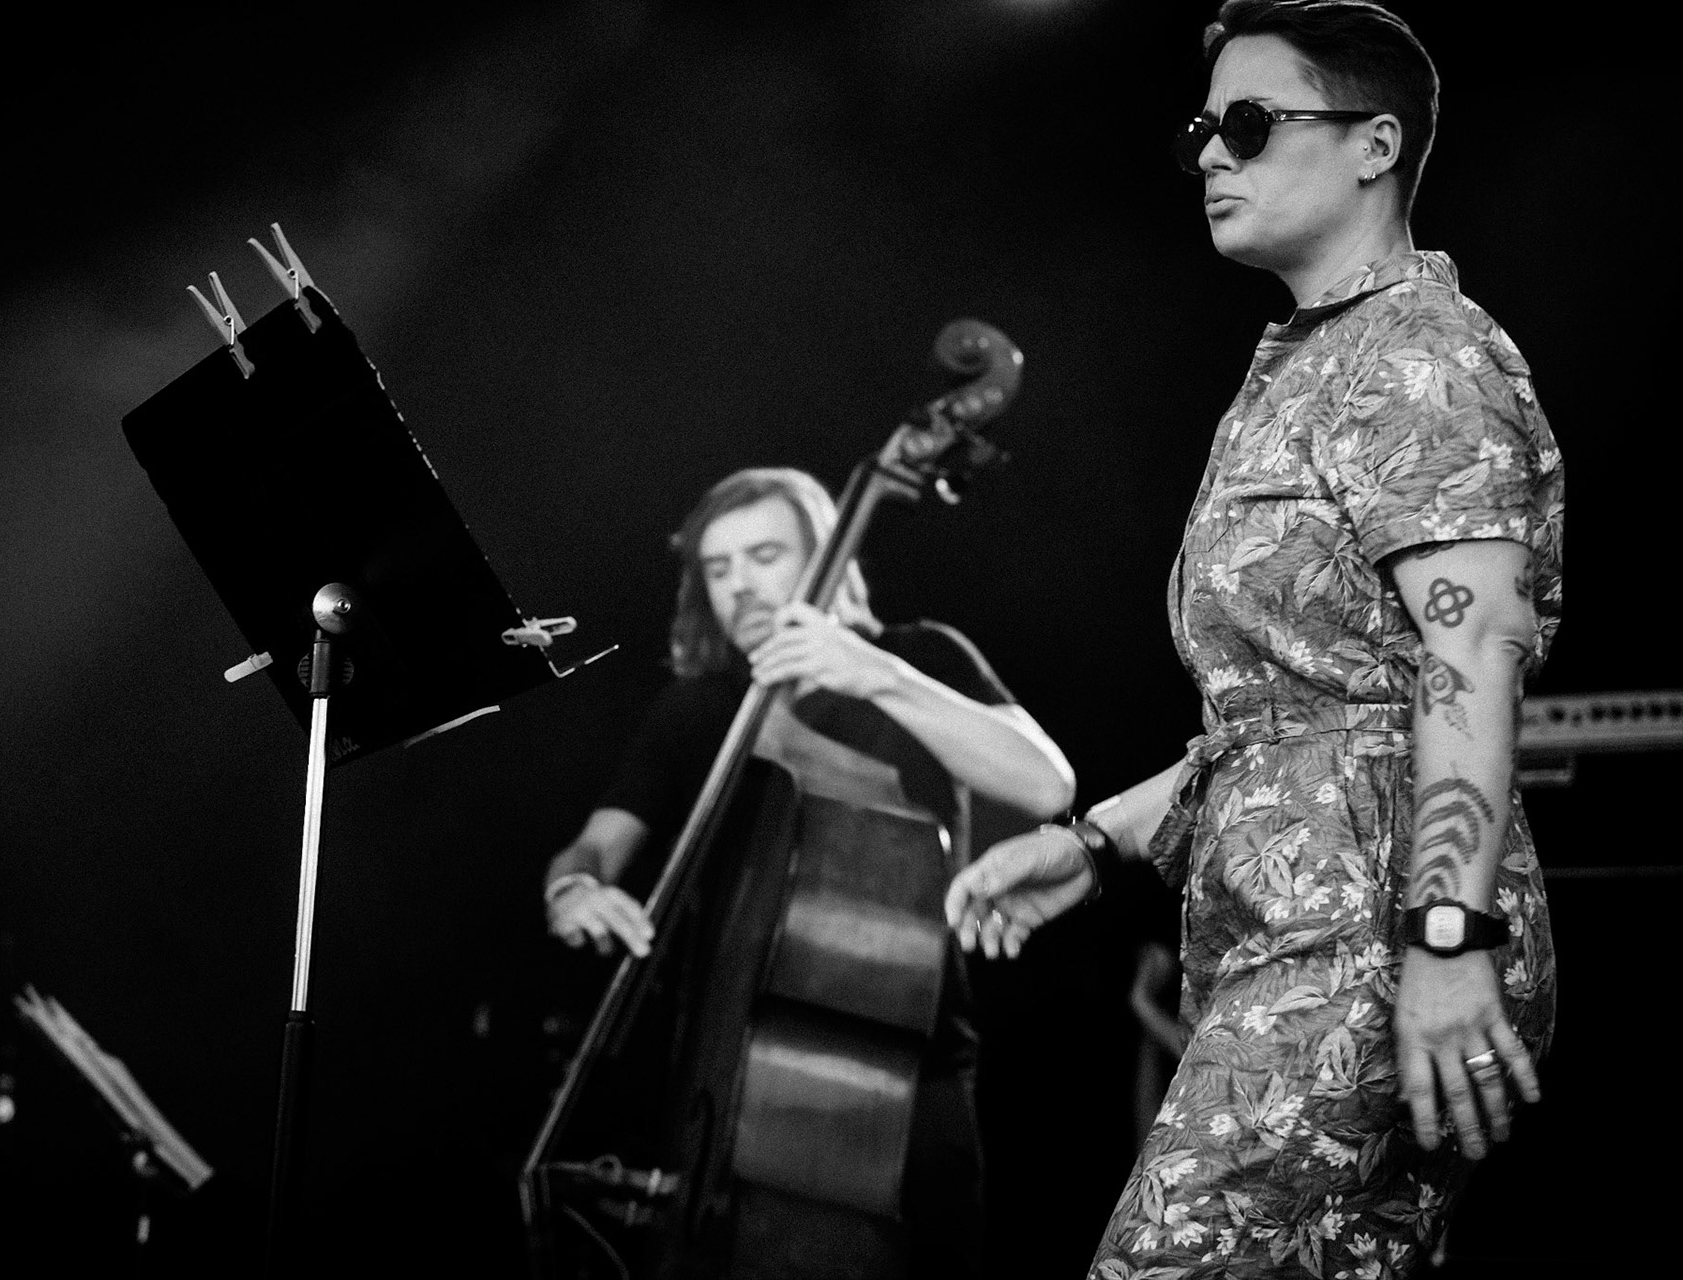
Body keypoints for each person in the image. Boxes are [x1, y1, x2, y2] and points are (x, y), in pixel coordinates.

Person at [945, 3, 1561, 1275]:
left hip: (1376, 934)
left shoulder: (1418, 363)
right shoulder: (1305, 365)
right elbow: (1287, 720)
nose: (1213, 155)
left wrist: (1445, 941)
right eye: (1204, 131)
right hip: (1295, 925)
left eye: (1250, 122)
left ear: (1375, 144)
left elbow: (1469, 656)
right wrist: (1096, 840)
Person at [542, 465, 1075, 1277]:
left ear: (828, 557)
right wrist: (575, 887)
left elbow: (1044, 784)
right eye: (717, 570)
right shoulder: (702, 706)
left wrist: (877, 675)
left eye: (764, 556)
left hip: (904, 1067)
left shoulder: (917, 656)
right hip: (722, 1077)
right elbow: (593, 846)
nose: (740, 587)